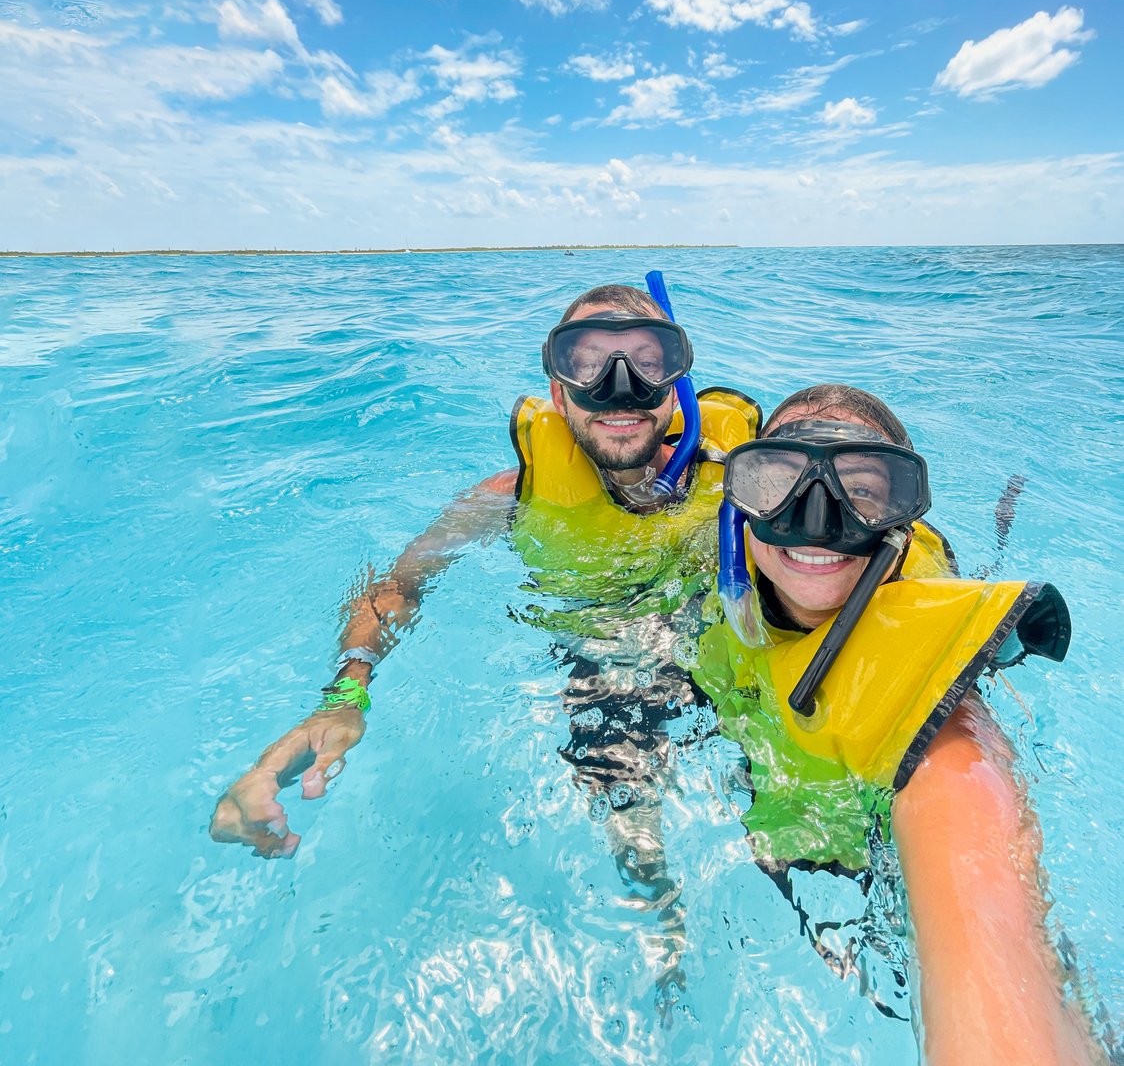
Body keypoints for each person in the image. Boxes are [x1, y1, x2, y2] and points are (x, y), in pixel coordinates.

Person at [210, 278, 759, 1005]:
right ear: (558, 393)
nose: (619, 388)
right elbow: (398, 583)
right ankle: (669, 953)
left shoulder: (750, 483)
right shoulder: (509, 496)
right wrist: (344, 695)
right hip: (607, 675)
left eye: (646, 360)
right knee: (636, 836)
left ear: (677, 383)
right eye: (589, 362)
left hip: (736, 649)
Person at [695, 383, 1103, 1064]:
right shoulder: (723, 583)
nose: (816, 520)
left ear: (901, 522)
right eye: (780, 481)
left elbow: (977, 875)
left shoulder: (939, 725)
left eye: (860, 490)